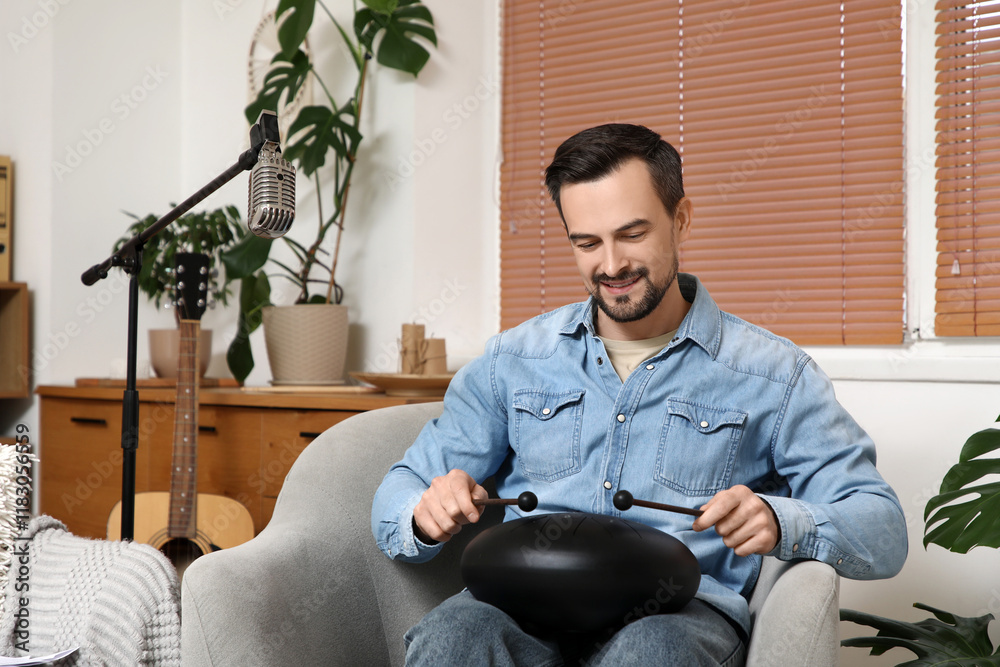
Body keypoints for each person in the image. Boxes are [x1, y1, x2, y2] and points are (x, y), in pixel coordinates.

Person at [372, 123, 907, 666]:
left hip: (679, 615)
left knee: (653, 651)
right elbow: (401, 488)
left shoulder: (775, 373)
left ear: (680, 219)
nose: (611, 265)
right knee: (453, 636)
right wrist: (424, 511)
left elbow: (881, 526)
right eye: (587, 242)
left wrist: (778, 518)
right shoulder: (514, 360)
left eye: (631, 234)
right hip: (521, 603)